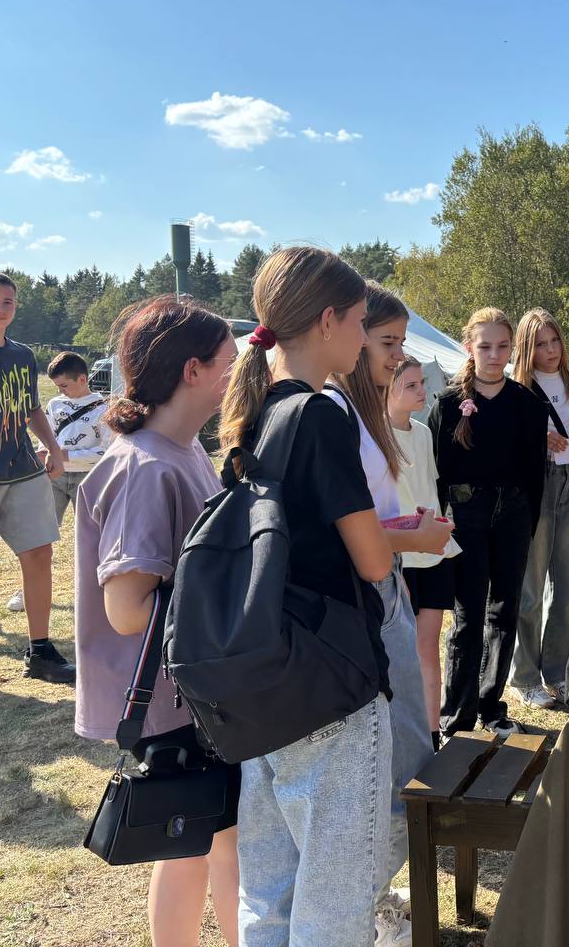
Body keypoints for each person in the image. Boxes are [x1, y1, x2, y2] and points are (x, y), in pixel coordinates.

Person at [218, 247, 397, 947]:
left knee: (270, 897)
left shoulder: (254, 411)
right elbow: (373, 561)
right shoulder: (321, 415)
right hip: (329, 681)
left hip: (263, 677)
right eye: (358, 321)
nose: (362, 336)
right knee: (336, 906)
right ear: (328, 322)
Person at [73, 295, 240, 947]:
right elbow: (126, 608)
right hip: (171, 703)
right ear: (192, 370)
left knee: (206, 841)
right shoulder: (145, 464)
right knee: (199, 841)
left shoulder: (183, 449)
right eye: (228, 363)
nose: (235, 376)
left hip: (193, 695)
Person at [325, 280, 450, 947]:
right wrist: (410, 537)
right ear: (346, 333)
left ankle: (378, 890)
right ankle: (372, 900)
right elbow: (348, 530)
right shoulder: (335, 413)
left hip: (386, 585)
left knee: (403, 744)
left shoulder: (361, 410)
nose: (400, 356)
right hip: (366, 596)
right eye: (389, 342)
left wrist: (407, 532)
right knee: (394, 747)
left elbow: (368, 515)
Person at [429, 308, 547, 737]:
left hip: (513, 514)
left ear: (513, 348)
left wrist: (528, 524)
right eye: (485, 346)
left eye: (502, 346)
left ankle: (491, 704)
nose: (494, 355)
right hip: (466, 517)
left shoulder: (527, 405)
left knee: (505, 610)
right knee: (468, 615)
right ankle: (455, 716)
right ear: (469, 348)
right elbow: (436, 473)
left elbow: (536, 472)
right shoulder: (446, 404)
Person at [0, 270, 72, 681]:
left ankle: (41, 651)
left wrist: (53, 445)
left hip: (22, 468)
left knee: (39, 554)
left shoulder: (23, 355)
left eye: (7, 302)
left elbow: (31, 407)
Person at [508, 309, 569, 709]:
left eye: (554, 341)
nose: (549, 350)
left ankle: (558, 672)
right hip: (533, 484)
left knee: (565, 587)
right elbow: (504, 440)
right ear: (528, 348)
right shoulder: (517, 384)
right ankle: (524, 677)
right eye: (540, 343)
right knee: (529, 589)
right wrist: (537, 439)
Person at [388, 357, 461, 740]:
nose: (422, 392)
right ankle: (400, 736)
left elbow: (430, 491)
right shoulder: (373, 434)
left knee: (426, 648)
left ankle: (432, 733)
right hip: (394, 556)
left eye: (421, 384)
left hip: (433, 553)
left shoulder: (423, 432)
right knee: (398, 654)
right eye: (412, 385)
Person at [6, 350, 112, 613]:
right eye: (57, 387)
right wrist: (44, 453)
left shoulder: (106, 408)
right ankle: (28, 588)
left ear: (83, 379)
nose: (61, 392)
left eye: (64, 385)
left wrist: (67, 456)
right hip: (53, 477)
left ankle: (96, 591)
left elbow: (107, 452)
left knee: (91, 538)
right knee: (38, 535)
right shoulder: (54, 405)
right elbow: (47, 437)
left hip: (88, 480)